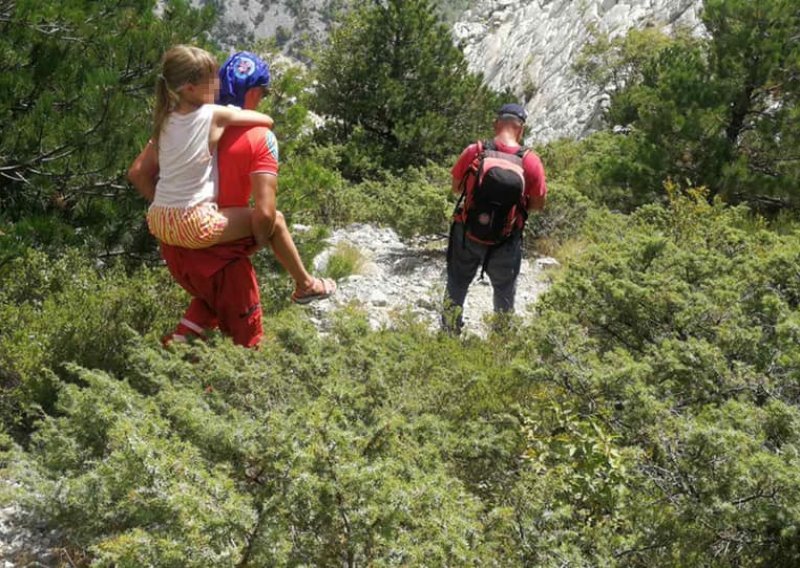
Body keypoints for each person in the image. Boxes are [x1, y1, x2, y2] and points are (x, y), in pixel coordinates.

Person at [128, 51, 335, 348]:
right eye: (263, 93)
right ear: (253, 92)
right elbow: (264, 215)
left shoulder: (170, 121)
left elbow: (137, 172)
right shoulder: (252, 134)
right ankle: (305, 285)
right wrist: (258, 241)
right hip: (218, 251)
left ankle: (177, 348)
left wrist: (167, 204)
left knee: (210, 301)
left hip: (170, 243)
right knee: (244, 343)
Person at [146, 45, 275, 249]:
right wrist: (259, 240)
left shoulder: (164, 119)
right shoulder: (212, 114)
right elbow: (266, 120)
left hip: (157, 218)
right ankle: (300, 277)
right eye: (213, 80)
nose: (219, 85)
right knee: (271, 220)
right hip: (193, 224)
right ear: (190, 88)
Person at [442, 103, 547, 334]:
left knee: (457, 283)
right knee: (504, 291)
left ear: (496, 123)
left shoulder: (475, 151)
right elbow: (538, 204)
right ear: (521, 129)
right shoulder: (530, 161)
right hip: (506, 240)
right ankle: (501, 343)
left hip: (467, 233)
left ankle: (448, 334)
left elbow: (456, 188)